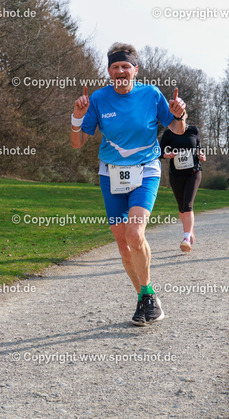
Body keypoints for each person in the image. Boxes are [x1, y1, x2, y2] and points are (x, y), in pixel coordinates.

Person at [70, 42, 187, 326]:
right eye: (115, 67)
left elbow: (178, 129)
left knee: (134, 234)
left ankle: (147, 296)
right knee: (123, 245)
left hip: (145, 170)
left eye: (126, 66)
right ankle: (146, 297)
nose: (120, 71)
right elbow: (77, 143)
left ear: (135, 70)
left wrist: (180, 114)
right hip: (110, 175)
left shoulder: (151, 94)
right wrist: (77, 116)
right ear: (109, 71)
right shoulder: (98, 99)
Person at [160, 125, 206, 252]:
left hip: (194, 172)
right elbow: (159, 152)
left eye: (181, 116)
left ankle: (186, 239)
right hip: (176, 174)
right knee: (181, 207)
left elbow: (198, 147)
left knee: (188, 204)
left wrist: (201, 154)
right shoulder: (168, 133)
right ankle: (190, 231)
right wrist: (167, 155)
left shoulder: (193, 130)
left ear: (185, 116)